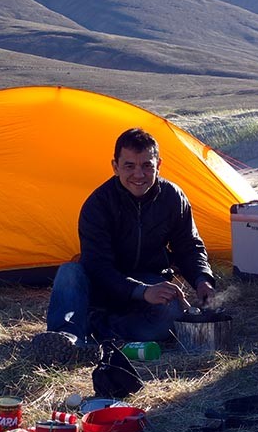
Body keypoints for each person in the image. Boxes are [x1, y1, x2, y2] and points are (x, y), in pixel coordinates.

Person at [46, 127, 216, 345]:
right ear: (115, 167)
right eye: (129, 166)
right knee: (69, 272)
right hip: (102, 286)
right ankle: (65, 339)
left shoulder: (173, 197)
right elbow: (98, 267)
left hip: (150, 280)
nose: (139, 174)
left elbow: (189, 246)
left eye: (147, 166)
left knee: (171, 317)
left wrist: (202, 279)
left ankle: (98, 327)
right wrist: (141, 291)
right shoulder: (98, 204)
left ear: (159, 166)